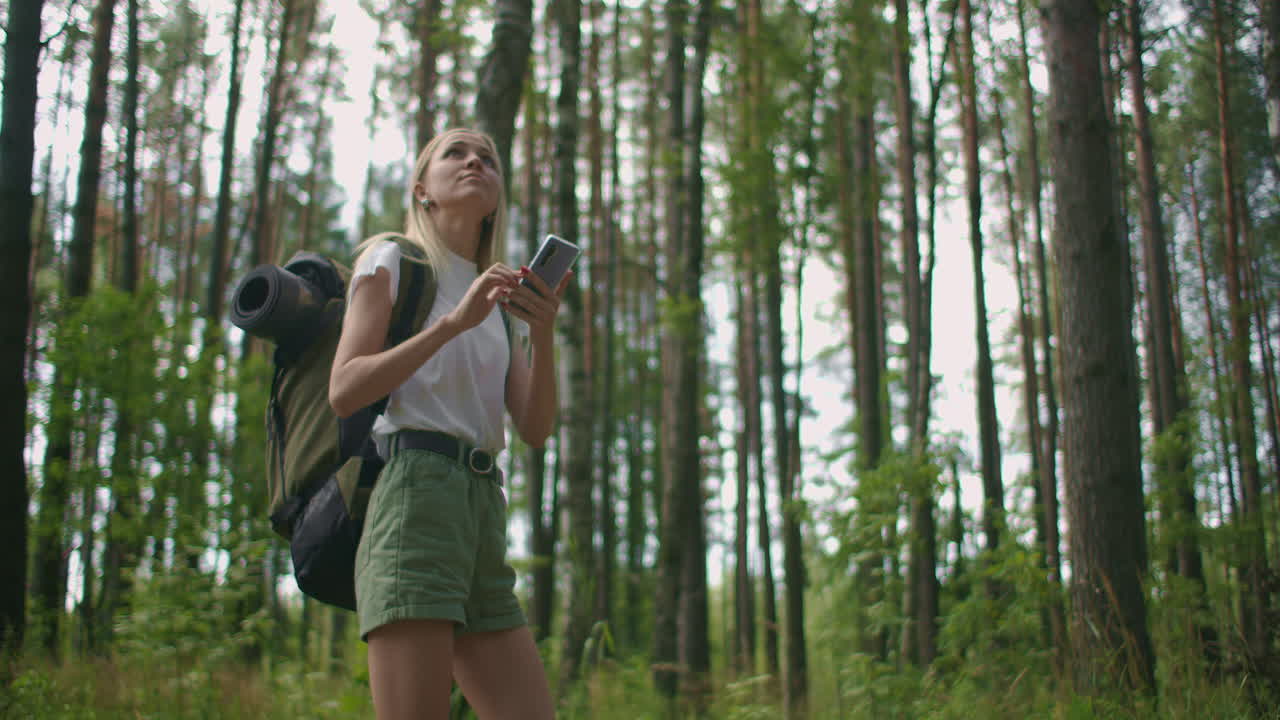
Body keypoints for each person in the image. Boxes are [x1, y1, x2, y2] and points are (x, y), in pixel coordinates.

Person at [329, 128, 564, 720]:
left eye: (487, 158)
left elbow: (534, 430)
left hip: (484, 506)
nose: (474, 162)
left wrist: (541, 329)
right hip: (416, 494)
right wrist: (454, 323)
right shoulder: (394, 258)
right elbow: (345, 388)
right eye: (455, 154)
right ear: (422, 189)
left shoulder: (500, 302)